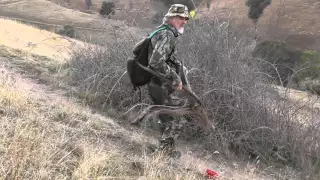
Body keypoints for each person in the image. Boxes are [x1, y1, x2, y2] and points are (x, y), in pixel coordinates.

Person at [146, 4, 193, 158]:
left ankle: (164, 151)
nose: (184, 21)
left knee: (167, 116)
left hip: (156, 83)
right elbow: (156, 62)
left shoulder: (163, 31)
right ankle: (165, 154)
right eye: (180, 18)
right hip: (158, 84)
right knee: (176, 117)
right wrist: (175, 76)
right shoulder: (168, 35)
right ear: (171, 18)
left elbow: (163, 59)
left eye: (185, 18)